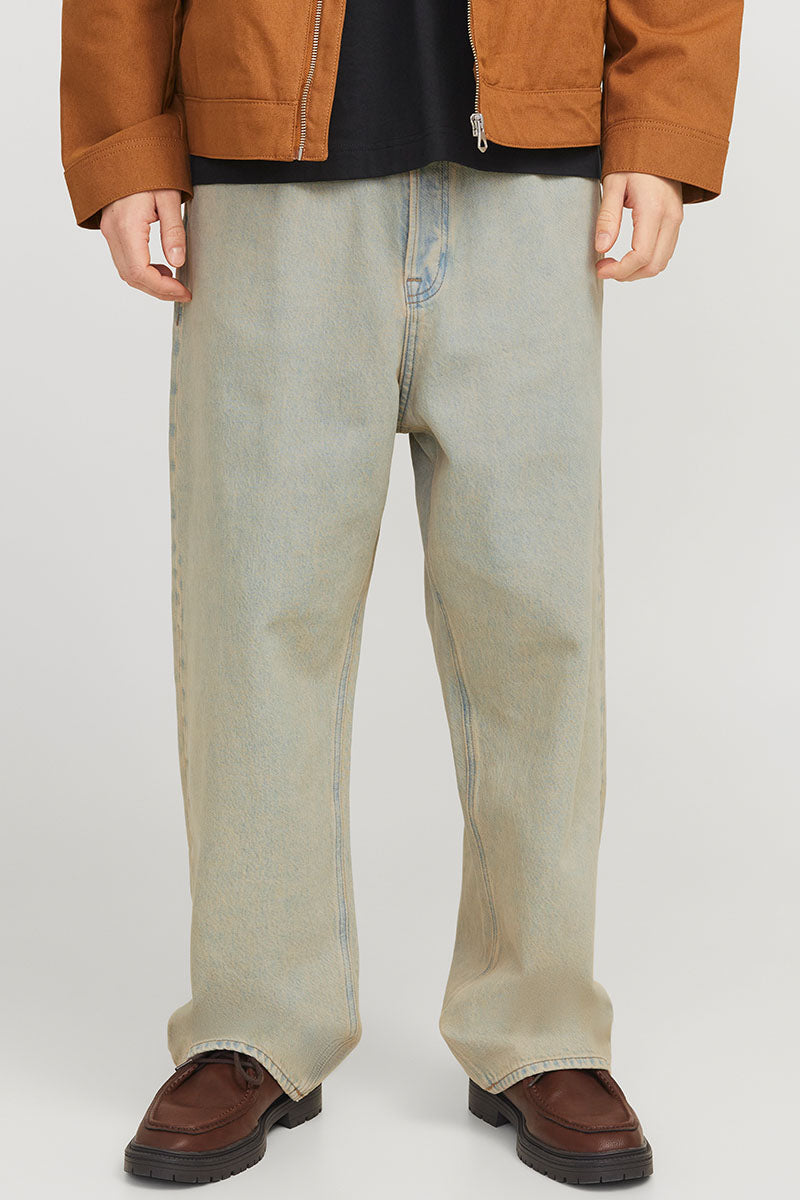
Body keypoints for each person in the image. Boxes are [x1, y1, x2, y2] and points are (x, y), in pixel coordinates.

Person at [60, 0, 743, 1187]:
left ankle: (539, 1027)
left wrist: (660, 124)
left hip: (532, 173)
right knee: (253, 611)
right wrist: (123, 142)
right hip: (262, 166)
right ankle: (254, 1022)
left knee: (535, 623)